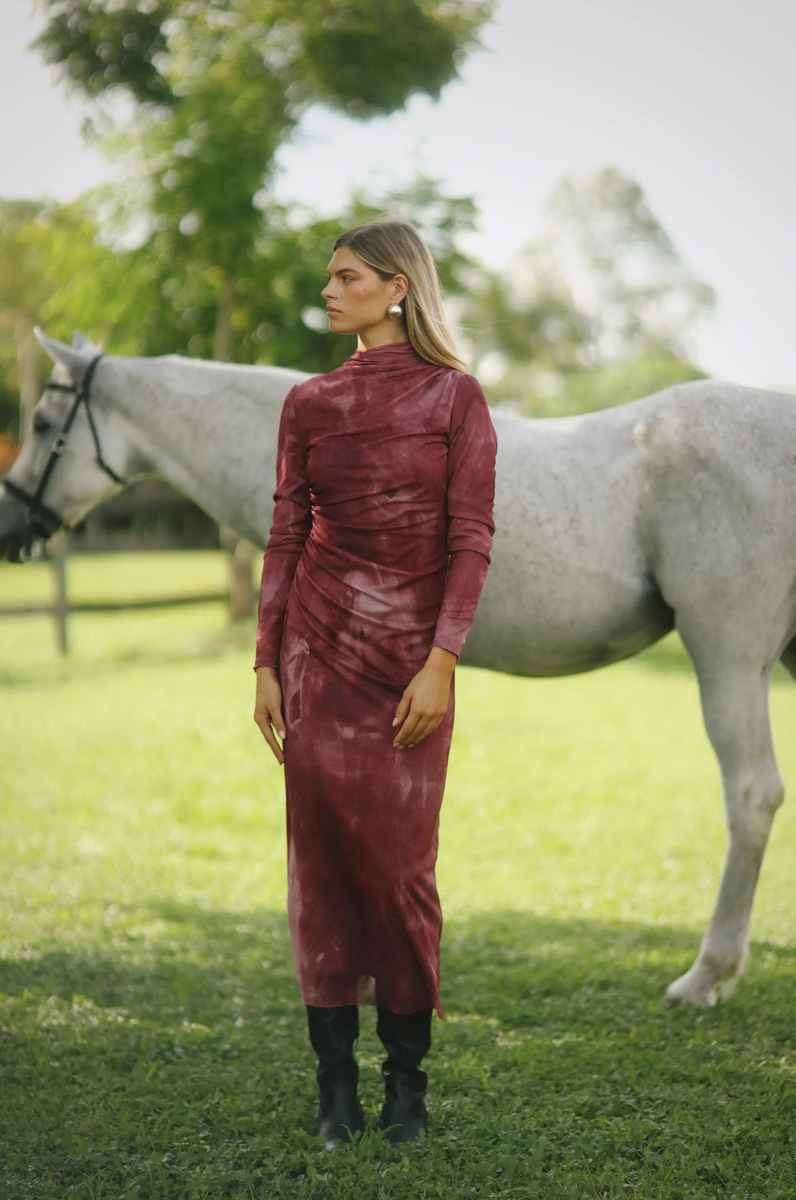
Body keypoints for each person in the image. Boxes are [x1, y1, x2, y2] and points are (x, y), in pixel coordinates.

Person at [253, 219, 497, 1147]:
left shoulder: (455, 398)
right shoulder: (308, 402)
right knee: (319, 873)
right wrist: (267, 662)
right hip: (315, 659)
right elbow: (285, 537)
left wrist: (443, 662)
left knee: (399, 873)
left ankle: (407, 1087)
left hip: (409, 672)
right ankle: (335, 1093)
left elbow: (470, 540)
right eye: (330, 278)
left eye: (346, 277)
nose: (328, 289)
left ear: (398, 288)